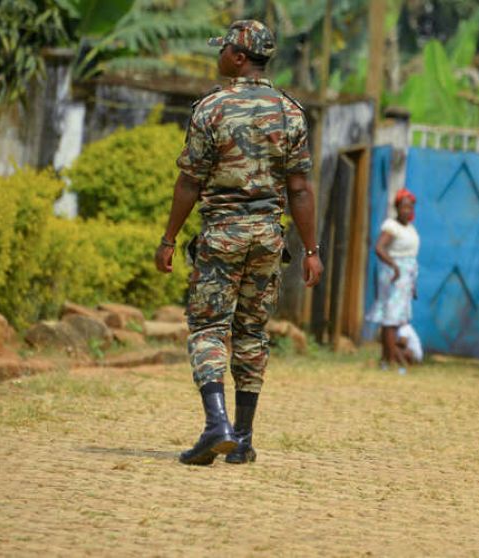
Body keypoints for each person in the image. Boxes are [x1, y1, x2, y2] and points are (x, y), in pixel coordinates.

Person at [154, 20, 323, 466]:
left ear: (238, 57)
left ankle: (216, 425)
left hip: (223, 235)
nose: (219, 54)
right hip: (269, 238)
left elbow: (189, 181)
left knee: (209, 328)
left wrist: (168, 238)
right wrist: (311, 250)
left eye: (224, 48)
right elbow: (301, 187)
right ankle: (243, 439)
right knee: (251, 332)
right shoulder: (290, 112)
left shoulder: (211, 108)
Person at [367, 189, 420, 375]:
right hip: (394, 276)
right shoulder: (391, 226)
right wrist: (395, 266)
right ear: (397, 207)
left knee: (396, 319)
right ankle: (391, 360)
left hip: (406, 277)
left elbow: (411, 257)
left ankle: (385, 359)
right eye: (404, 206)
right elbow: (379, 248)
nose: (407, 210)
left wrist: (413, 284)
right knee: (390, 318)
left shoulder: (410, 228)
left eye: (410, 207)